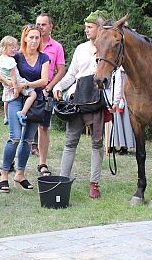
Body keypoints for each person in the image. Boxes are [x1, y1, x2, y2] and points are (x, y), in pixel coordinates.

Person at [52, 10, 109, 199]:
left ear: (100, 28)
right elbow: (71, 74)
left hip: (97, 100)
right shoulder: (80, 48)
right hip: (78, 99)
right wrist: (59, 85)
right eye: (86, 26)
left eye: (90, 27)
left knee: (97, 143)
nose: (86, 30)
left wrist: (116, 100)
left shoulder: (108, 49)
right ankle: (63, 180)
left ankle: (94, 183)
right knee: (70, 141)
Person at [0, 24, 49, 193]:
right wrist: (11, 83)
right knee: (15, 137)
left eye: (37, 37)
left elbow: (44, 81)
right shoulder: (16, 56)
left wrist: (26, 84)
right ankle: (4, 174)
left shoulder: (44, 58)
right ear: (25, 38)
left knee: (27, 140)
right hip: (15, 98)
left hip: (34, 101)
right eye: (31, 37)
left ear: (40, 40)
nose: (34, 40)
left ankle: (20, 174)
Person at [33, 13, 66, 177]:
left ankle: (42, 163)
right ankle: (14, 162)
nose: (40, 27)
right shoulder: (31, 42)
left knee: (44, 127)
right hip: (29, 90)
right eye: (38, 24)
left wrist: (50, 88)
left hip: (47, 91)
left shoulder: (56, 47)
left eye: (44, 24)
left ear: (51, 26)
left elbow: (61, 70)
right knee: (23, 125)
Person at [0, 36, 38, 125]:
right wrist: (16, 88)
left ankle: (6, 116)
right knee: (33, 94)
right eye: (12, 47)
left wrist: (7, 82)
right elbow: (13, 76)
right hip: (18, 82)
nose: (15, 49)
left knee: (6, 99)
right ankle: (22, 113)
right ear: (4, 48)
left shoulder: (0, 58)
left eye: (15, 47)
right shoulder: (11, 61)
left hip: (6, 84)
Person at [106, 67, 135, 155]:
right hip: (112, 93)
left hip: (123, 94)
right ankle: (111, 144)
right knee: (112, 121)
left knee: (124, 120)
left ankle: (124, 146)